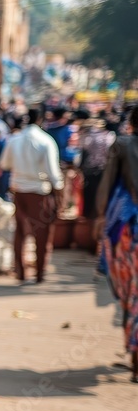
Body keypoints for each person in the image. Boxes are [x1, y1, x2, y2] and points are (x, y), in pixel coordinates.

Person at [96, 107, 138, 382]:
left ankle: (134, 354)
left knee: (130, 292)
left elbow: (107, 183)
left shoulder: (122, 144)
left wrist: (99, 217)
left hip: (126, 228)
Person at [0, 107, 64, 285]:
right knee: (41, 234)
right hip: (39, 192)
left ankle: (21, 272)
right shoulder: (46, 141)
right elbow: (54, 174)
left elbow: (4, 163)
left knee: (20, 232)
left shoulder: (15, 139)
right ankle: (39, 273)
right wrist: (60, 195)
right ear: (41, 119)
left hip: (19, 191)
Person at [79, 116, 115, 219]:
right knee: (103, 195)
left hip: (89, 170)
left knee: (89, 195)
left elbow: (83, 151)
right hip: (104, 170)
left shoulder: (86, 136)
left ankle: (88, 217)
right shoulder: (109, 136)